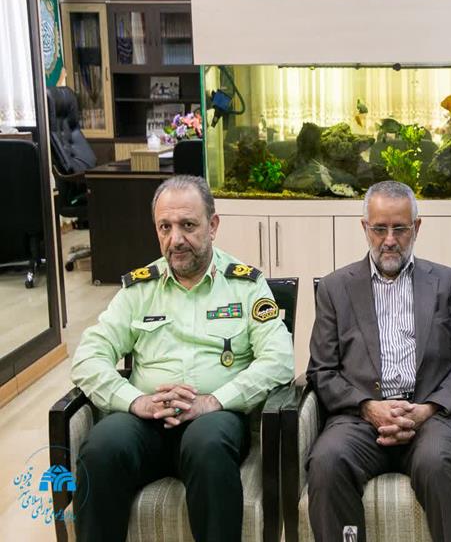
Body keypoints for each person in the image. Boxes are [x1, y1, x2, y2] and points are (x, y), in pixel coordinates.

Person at [70, 175, 294, 542]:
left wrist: (213, 401)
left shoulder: (245, 285)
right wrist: (135, 401)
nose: (175, 239)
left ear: (213, 225)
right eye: (165, 227)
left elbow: (280, 360)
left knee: (207, 447)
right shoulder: (139, 289)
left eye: (188, 225)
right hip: (144, 420)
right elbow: (88, 357)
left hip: (214, 419)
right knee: (101, 448)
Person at [306, 180, 451, 542]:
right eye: (379, 229)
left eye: (400, 229)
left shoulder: (446, 283)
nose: (389, 240)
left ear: (416, 227)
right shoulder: (335, 288)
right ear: (365, 227)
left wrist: (426, 410)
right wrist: (369, 407)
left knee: (439, 463)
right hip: (359, 418)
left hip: (428, 418)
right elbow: (322, 371)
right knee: (328, 461)